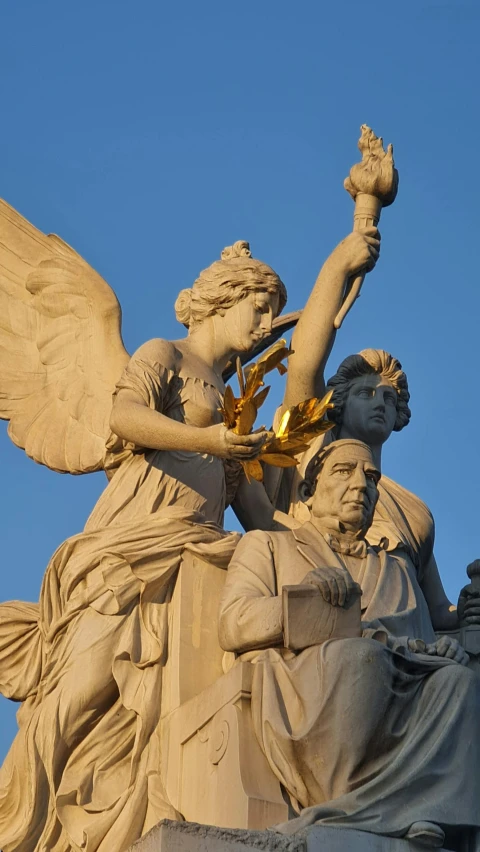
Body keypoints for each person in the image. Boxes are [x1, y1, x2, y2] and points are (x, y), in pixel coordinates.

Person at [0, 234, 376, 852]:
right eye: (256, 307)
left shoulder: (229, 402)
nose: (262, 324)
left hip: (196, 555)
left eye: (268, 310)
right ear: (220, 303)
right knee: (75, 696)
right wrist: (212, 444)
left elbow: (256, 514)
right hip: (130, 549)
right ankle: (21, 819)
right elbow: (124, 418)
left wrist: (322, 551)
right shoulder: (164, 356)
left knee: (167, 702)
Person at [219, 439, 480, 850]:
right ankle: (354, 810)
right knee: (363, 658)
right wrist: (302, 599)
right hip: (307, 686)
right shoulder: (269, 545)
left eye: (371, 477)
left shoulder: (398, 568)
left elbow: (420, 646)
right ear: (307, 491)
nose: (362, 484)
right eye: (344, 471)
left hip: (393, 683)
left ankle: (420, 809)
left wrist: (443, 650)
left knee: (457, 683)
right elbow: (233, 624)